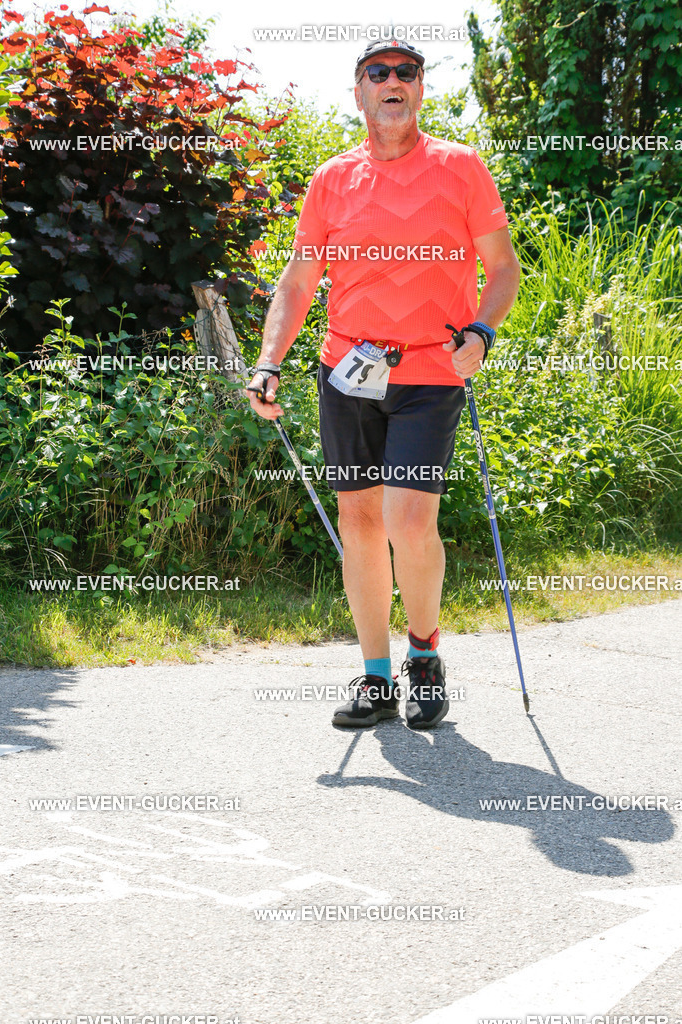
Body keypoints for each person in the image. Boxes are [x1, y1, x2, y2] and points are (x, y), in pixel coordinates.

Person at [246, 40, 520, 730]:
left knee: (409, 519)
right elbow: (298, 282)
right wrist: (269, 361)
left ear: (420, 89)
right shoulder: (333, 179)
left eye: (406, 72)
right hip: (348, 372)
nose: (392, 81)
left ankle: (423, 658)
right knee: (360, 522)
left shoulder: (460, 167)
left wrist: (481, 333)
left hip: (431, 371)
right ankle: (374, 676)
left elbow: (503, 269)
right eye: (378, 72)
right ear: (359, 91)